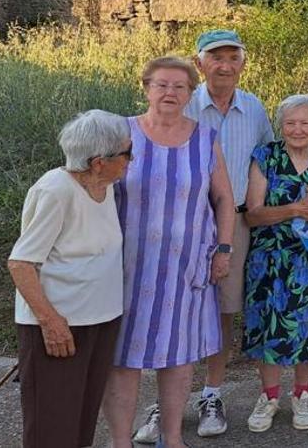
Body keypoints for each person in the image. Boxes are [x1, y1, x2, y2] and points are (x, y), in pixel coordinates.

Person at [131, 29, 280, 442]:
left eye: (233, 57)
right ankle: (165, 401)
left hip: (235, 222)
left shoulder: (253, 109)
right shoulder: (183, 101)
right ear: (200, 64)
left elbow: (268, 161)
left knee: (223, 309)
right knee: (171, 310)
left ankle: (211, 393)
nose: (225, 65)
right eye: (216, 57)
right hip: (181, 223)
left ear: (243, 64)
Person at [103, 56, 236, 448]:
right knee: (122, 358)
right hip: (127, 267)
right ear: (146, 88)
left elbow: (224, 198)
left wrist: (223, 249)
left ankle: (173, 438)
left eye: (180, 87)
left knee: (178, 357)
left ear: (190, 94)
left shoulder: (205, 137)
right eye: (161, 85)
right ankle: (120, 441)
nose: (170, 93)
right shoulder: (122, 133)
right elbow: (95, 189)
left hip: (187, 266)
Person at [7, 110, 132, 448]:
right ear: (97, 161)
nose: (130, 160)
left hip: (100, 320)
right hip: (60, 327)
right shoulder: (55, 191)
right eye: (126, 153)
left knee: (80, 420)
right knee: (52, 426)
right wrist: (50, 322)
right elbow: (21, 263)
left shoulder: (105, 186)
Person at [240, 94, 308, 432]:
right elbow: (253, 215)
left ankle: (302, 394)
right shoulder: (266, 157)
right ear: (280, 126)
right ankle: (269, 396)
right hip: (270, 258)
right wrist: (295, 210)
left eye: (305, 123)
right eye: (290, 123)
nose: (297, 129)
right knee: (269, 326)